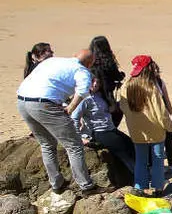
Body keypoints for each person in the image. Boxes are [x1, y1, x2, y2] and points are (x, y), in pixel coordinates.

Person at [16, 49, 98, 194]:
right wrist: (70, 108)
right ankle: (86, 186)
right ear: (90, 63)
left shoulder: (52, 61)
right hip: (44, 104)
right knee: (74, 145)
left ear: (74, 55)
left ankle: (57, 184)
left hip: (22, 101)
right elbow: (83, 91)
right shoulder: (82, 71)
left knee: (47, 144)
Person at [119, 55, 172, 196]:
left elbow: (123, 107)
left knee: (141, 160)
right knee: (157, 160)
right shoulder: (151, 88)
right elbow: (160, 112)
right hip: (156, 130)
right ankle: (158, 188)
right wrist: (169, 125)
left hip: (137, 131)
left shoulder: (126, 86)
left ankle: (140, 187)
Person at [71, 77, 135, 174]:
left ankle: (142, 174)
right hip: (99, 132)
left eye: (98, 82)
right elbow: (74, 118)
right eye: (92, 81)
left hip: (111, 129)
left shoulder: (101, 96)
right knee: (123, 150)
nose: (95, 84)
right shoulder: (84, 98)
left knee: (131, 145)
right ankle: (141, 178)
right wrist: (79, 138)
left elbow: (111, 110)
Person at [88, 36, 126, 128]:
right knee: (116, 112)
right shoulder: (108, 62)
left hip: (91, 93)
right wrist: (122, 75)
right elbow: (118, 77)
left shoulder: (88, 61)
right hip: (107, 95)